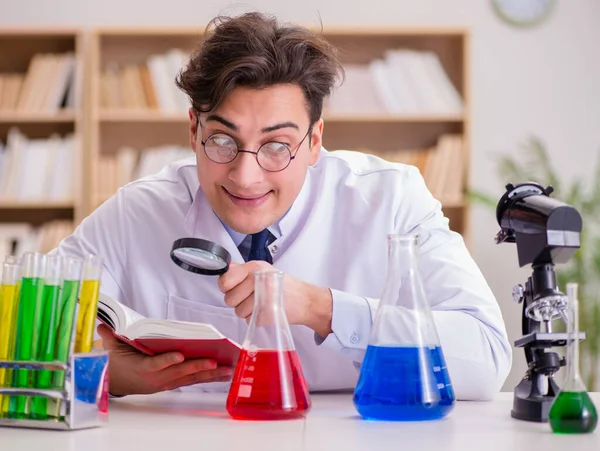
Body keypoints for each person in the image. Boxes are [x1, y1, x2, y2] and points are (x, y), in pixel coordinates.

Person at [54, 12, 511, 398]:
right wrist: (106, 370)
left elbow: (487, 358)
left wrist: (321, 308)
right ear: (193, 130)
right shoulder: (138, 211)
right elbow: (17, 332)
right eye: (221, 140)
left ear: (315, 141)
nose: (245, 176)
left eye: (277, 146)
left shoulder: (391, 199)